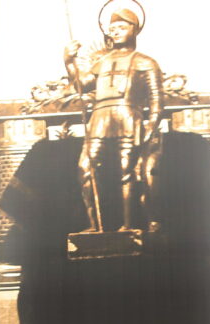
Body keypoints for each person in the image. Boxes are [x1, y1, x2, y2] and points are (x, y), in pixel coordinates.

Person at [62, 7, 162, 235]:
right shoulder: (101, 62)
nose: (115, 31)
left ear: (134, 30)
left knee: (125, 171)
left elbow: (157, 99)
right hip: (99, 119)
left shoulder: (146, 62)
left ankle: (128, 225)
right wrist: (68, 61)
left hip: (128, 117)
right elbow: (79, 85)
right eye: (112, 28)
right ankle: (95, 225)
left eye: (121, 27)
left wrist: (151, 124)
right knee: (84, 170)